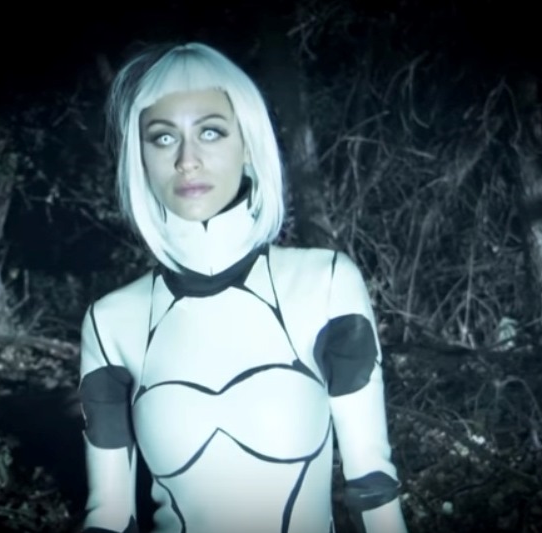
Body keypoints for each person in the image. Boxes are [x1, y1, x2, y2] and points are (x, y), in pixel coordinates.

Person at [78, 42, 408, 533]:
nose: (187, 160)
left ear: (249, 145)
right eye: (163, 138)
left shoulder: (325, 283)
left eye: (210, 131)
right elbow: (108, 515)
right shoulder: (111, 322)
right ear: (140, 159)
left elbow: (372, 483)